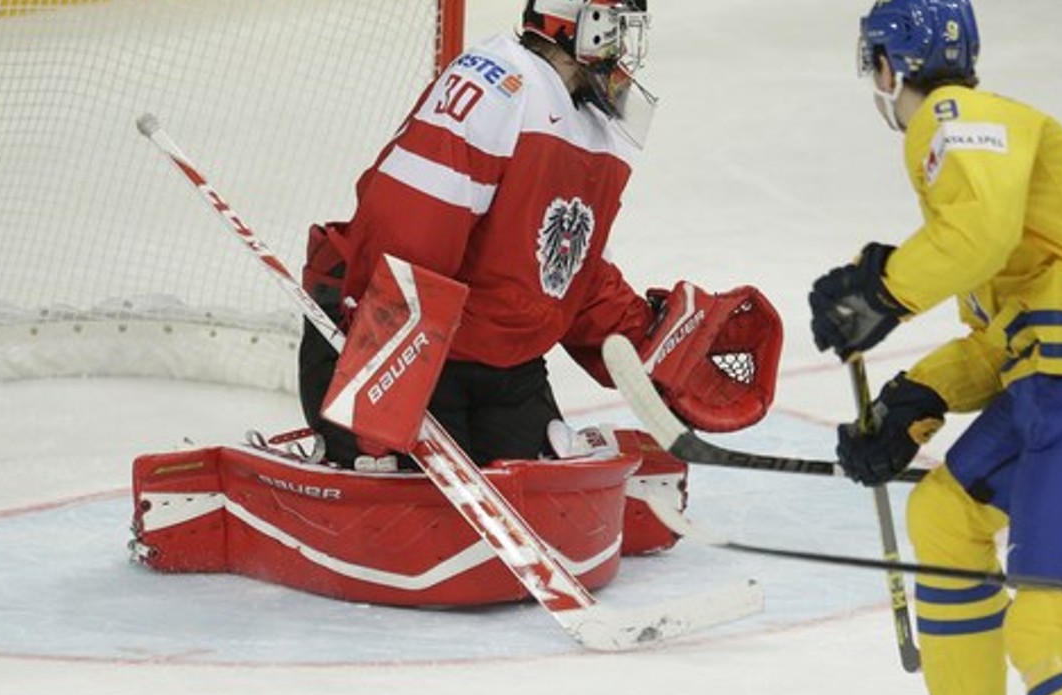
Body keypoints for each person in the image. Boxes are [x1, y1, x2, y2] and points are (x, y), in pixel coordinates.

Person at [808, 1, 1062, 695]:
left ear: (889, 66)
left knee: (1048, 623)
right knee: (945, 516)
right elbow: (1005, 334)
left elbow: (978, 234)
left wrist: (882, 291)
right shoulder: (982, 172)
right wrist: (913, 402)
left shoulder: (956, 118)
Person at [300, 0, 779, 470]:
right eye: (617, 28)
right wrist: (376, 377)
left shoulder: (597, 127)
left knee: (544, 496)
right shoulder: (497, 82)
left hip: (500, 364)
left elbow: (566, 277)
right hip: (387, 345)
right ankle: (347, 445)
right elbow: (404, 236)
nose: (626, 49)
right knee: (418, 507)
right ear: (582, 24)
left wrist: (649, 346)